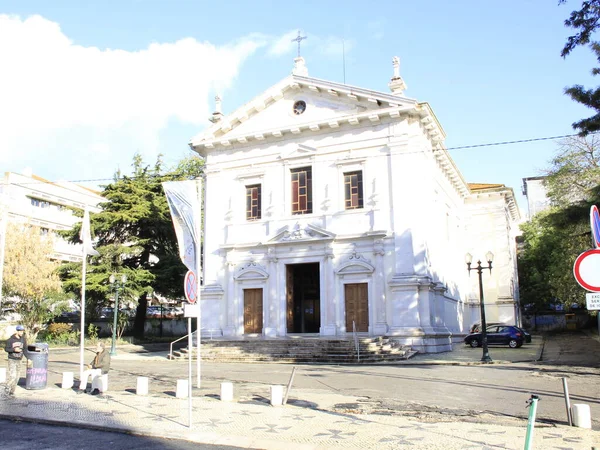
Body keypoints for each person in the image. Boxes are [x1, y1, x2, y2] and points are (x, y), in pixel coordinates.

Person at [4, 325, 26, 397]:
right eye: (20, 331)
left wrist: (28, 358)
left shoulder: (23, 339)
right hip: (12, 359)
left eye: (22, 331)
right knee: (12, 376)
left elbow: (25, 349)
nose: (22, 333)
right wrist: (14, 350)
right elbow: (6, 349)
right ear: (17, 331)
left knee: (17, 377)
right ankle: (7, 388)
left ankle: (12, 392)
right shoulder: (10, 340)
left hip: (19, 360)